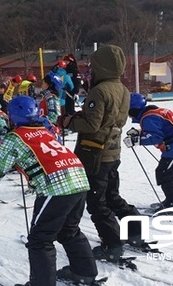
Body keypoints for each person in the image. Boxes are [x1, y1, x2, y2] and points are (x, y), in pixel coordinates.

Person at [0, 95, 98, 286]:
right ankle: (84, 272)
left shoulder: (15, 138)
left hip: (56, 187)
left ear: (12, 117)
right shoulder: (45, 130)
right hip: (79, 180)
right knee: (68, 230)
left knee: (40, 240)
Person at [59, 44, 145, 261]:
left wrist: (69, 121)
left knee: (97, 202)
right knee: (112, 195)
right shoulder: (123, 89)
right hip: (112, 152)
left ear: (102, 67)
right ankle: (135, 232)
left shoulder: (99, 90)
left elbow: (91, 125)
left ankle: (113, 245)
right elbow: (114, 118)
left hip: (95, 153)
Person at [125, 93, 173, 213]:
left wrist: (137, 140)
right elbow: (160, 128)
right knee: (171, 171)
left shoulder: (147, 118)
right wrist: (140, 132)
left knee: (166, 173)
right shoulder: (154, 112)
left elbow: (156, 137)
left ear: (133, 110)